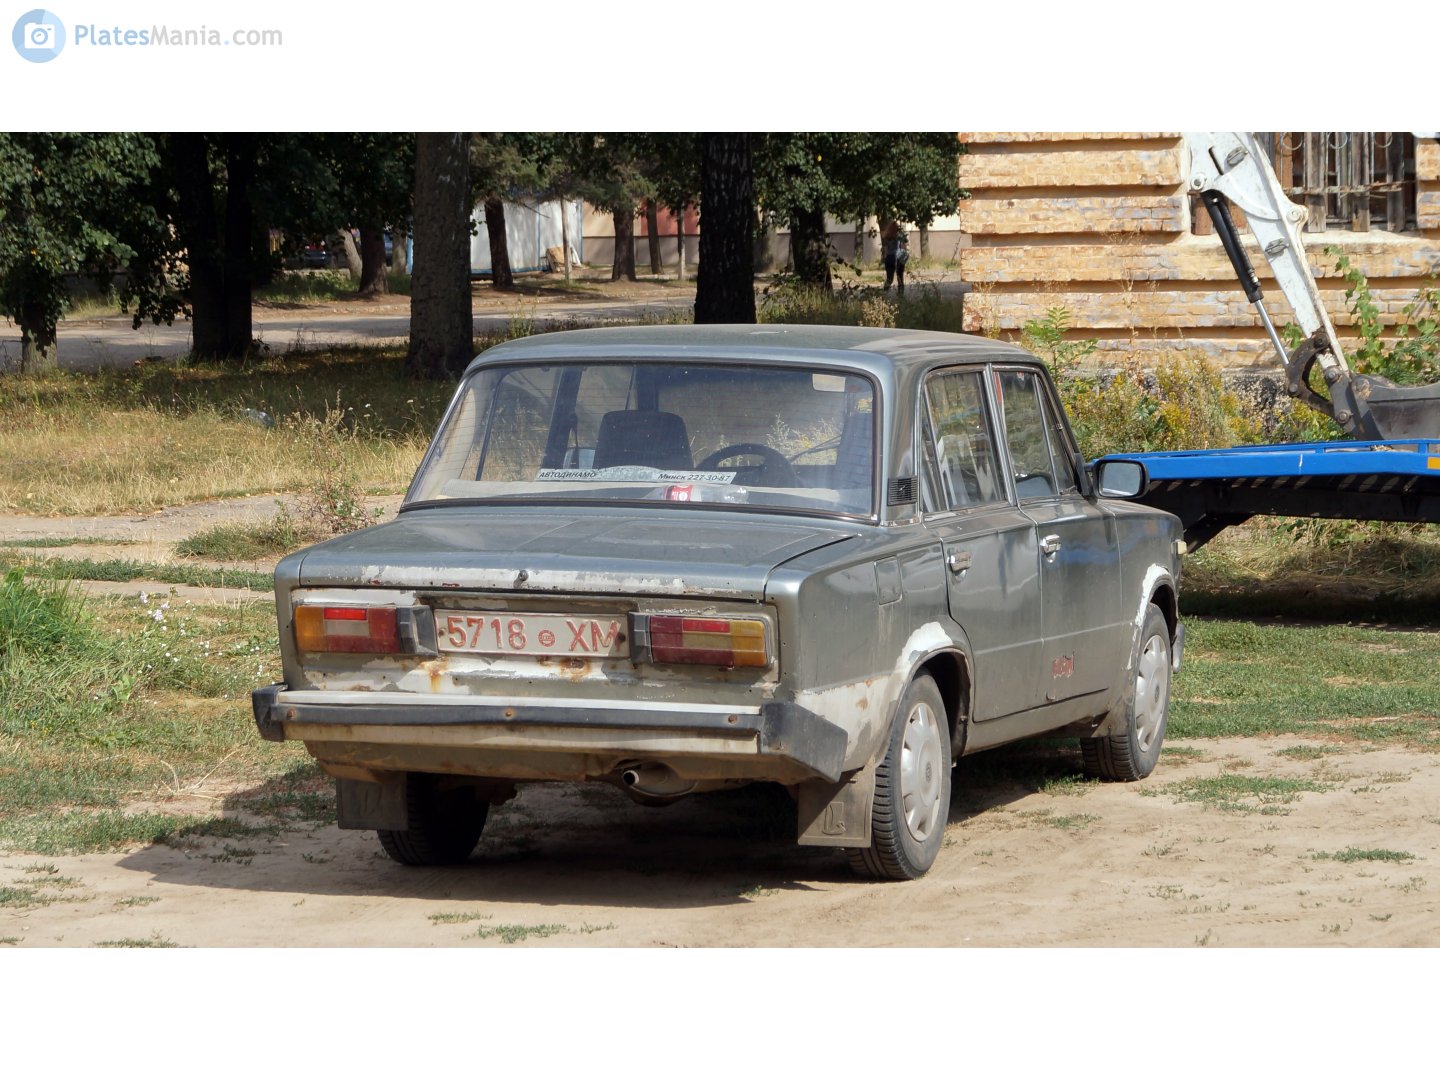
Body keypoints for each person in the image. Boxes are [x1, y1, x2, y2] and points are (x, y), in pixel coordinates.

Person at [881, 217, 909, 294]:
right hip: (898, 258)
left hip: (889, 258)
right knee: (900, 278)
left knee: (889, 279)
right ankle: (900, 295)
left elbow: (885, 249)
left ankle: (883, 293)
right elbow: (905, 245)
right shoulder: (899, 236)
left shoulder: (887, 237)